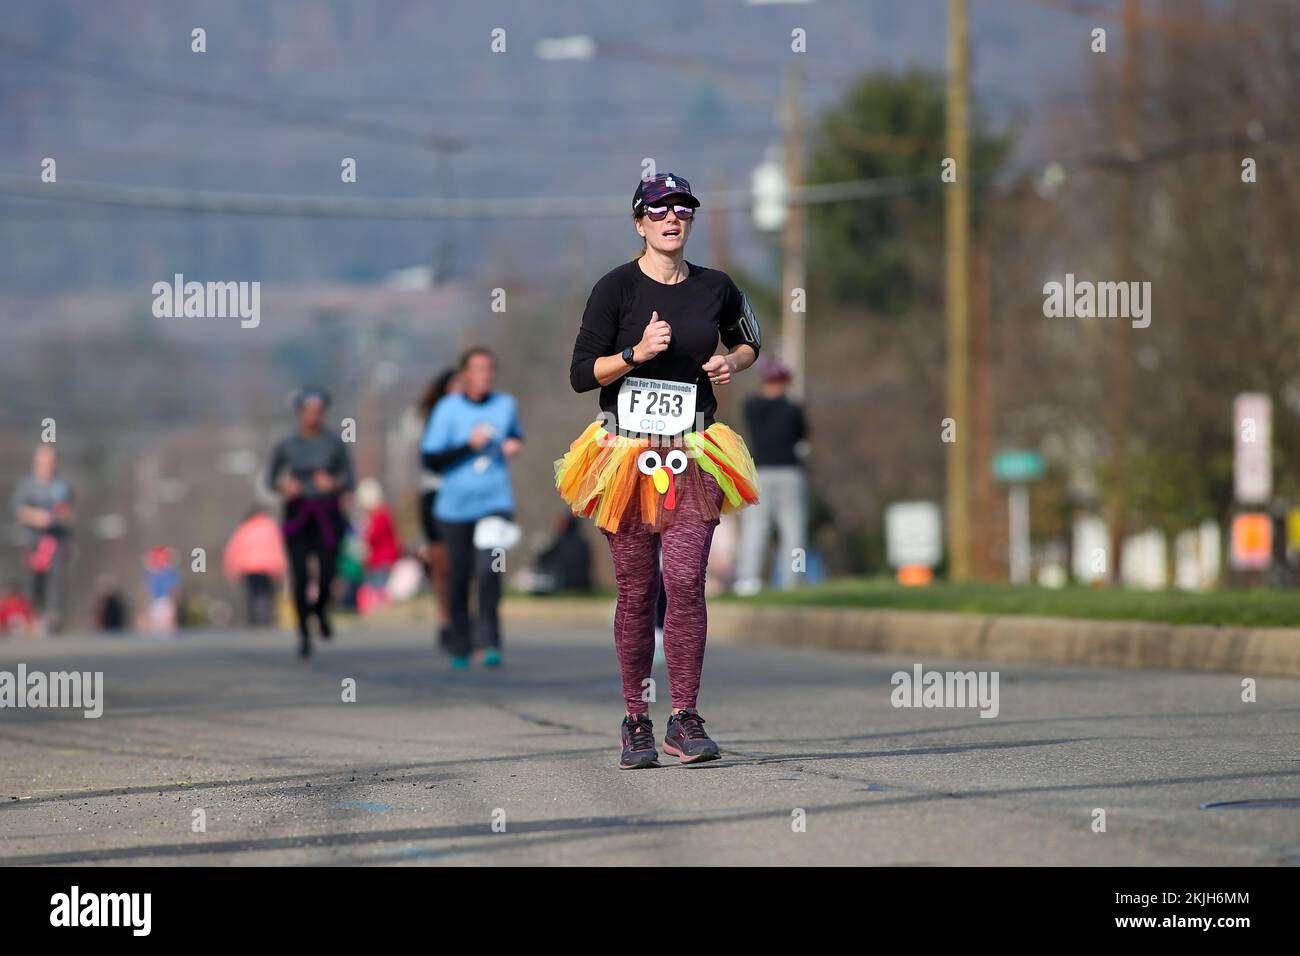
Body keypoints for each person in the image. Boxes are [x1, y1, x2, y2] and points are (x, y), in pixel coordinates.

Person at [554, 172, 762, 769]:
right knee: (637, 591)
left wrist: (731, 362)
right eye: (659, 210)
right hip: (626, 456)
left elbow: (751, 340)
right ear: (640, 222)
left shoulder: (717, 286)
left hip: (694, 450)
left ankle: (686, 717)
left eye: (682, 210)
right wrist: (634, 355)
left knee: (688, 584)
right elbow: (579, 375)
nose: (672, 219)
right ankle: (637, 719)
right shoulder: (614, 288)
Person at [419, 348, 523, 669]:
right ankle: (461, 644)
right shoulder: (446, 410)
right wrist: (470, 446)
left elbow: (515, 435)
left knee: (489, 570)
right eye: (477, 368)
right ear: (464, 374)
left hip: (494, 501)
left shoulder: (506, 405)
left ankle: (490, 641)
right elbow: (431, 459)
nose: (484, 374)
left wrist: (513, 444)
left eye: (489, 368)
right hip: (454, 507)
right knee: (460, 574)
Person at [266, 387, 355, 657]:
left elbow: (349, 479)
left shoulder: (334, 443)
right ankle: (304, 631)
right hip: (298, 514)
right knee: (300, 576)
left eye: (318, 412)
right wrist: (285, 485)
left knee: (328, 571)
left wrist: (333, 483)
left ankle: (320, 609)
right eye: (308, 411)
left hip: (327, 514)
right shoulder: (286, 444)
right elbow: (271, 479)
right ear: (300, 413)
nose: (313, 417)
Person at [735, 357, 810, 594]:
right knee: (793, 528)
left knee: (755, 527)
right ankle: (792, 581)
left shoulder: (751, 407)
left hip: (761, 472)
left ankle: (748, 580)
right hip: (790, 472)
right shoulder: (793, 409)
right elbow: (802, 437)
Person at [414, 369, 460, 648]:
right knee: (441, 563)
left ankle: (463, 615)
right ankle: (445, 619)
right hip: (436, 494)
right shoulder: (433, 419)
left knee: (463, 562)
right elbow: (429, 460)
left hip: (467, 495)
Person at [10, 445, 74, 635]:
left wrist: (60, 516)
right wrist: (36, 517)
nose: (48, 466)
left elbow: (68, 511)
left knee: (55, 578)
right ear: (36, 463)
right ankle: (30, 615)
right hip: (31, 539)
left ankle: (53, 616)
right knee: (31, 579)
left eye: (51, 462)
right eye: (44, 462)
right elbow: (19, 510)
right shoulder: (26, 485)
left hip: (55, 539)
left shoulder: (61, 485)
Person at [222, 506, 288, 627]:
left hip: (248, 568)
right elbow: (279, 549)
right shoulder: (271, 528)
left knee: (252, 594)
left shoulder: (244, 529)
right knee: (265, 594)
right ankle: (264, 619)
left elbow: (233, 550)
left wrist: (232, 569)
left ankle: (254, 620)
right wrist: (281, 568)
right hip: (268, 568)